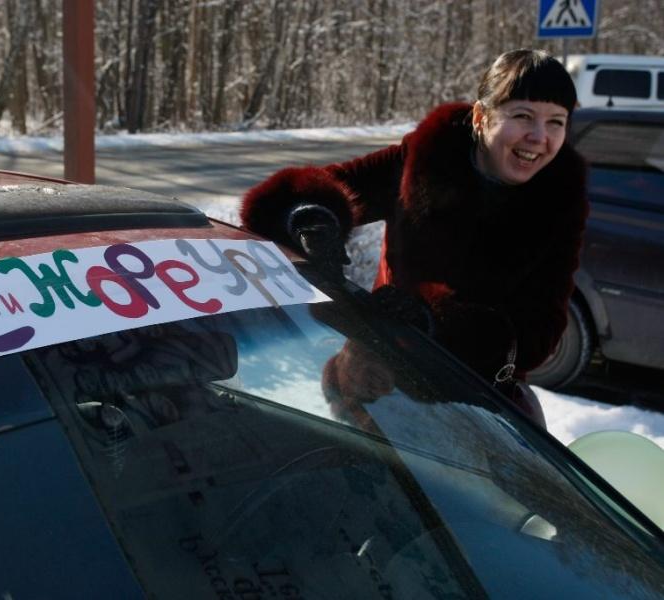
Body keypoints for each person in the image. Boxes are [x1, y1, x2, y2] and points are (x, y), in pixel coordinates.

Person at [239, 49, 588, 425]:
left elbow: (539, 332)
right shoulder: (425, 158)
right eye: (523, 116)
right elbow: (309, 192)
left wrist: (435, 324)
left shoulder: (559, 200)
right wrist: (313, 218)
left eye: (556, 122)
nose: (539, 137)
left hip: (476, 406)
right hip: (377, 386)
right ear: (480, 117)